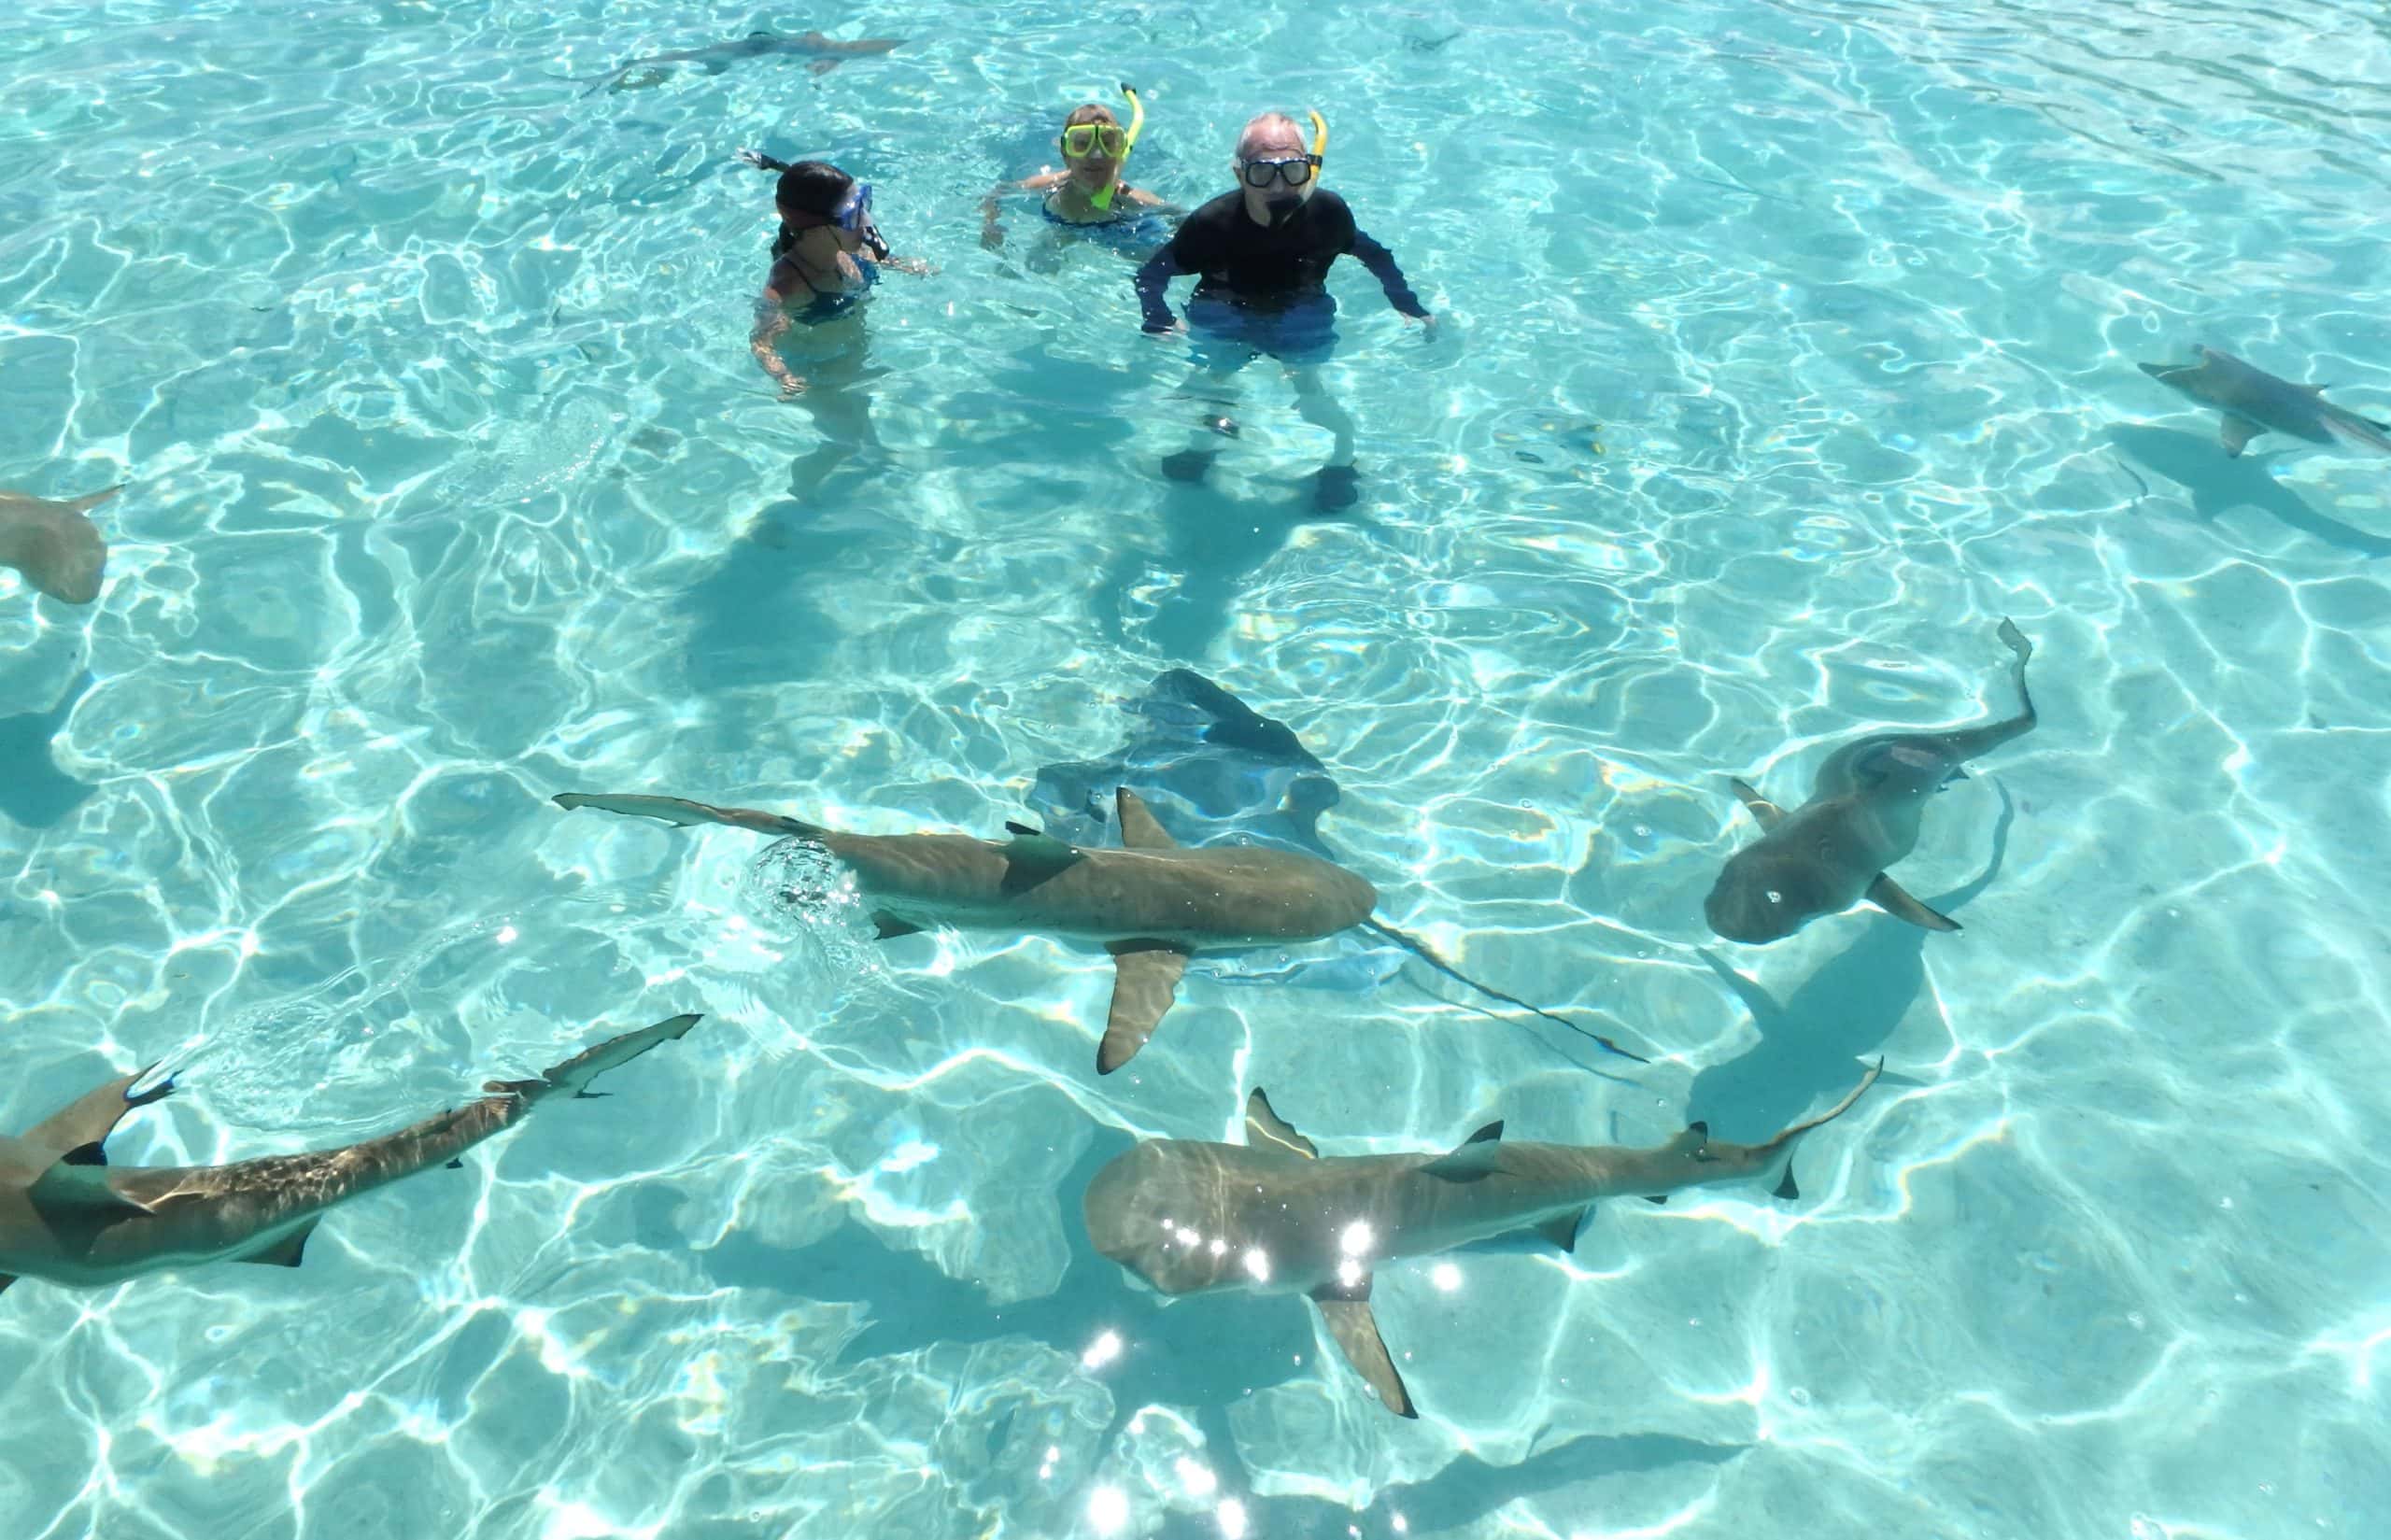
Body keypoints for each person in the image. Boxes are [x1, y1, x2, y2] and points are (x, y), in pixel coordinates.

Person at [1131, 109, 1432, 510]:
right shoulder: (1212, 222)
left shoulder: (1327, 213)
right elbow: (1153, 273)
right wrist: (1157, 316)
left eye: (1291, 170)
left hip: (1300, 308)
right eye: (1262, 172)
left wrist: (1406, 303)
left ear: (1308, 170)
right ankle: (1202, 447)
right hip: (1224, 306)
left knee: (1310, 391)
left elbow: (1374, 254)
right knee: (1210, 386)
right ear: (1239, 174)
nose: (1277, 186)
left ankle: (1342, 460)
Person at [740, 151, 930, 502]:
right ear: (820, 226)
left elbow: (881, 258)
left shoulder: (850, 250)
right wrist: (783, 376)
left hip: (852, 354)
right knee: (844, 438)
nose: (866, 223)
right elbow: (761, 340)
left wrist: (907, 266)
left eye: (864, 206)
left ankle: (875, 460)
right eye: (854, 214)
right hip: (817, 369)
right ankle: (803, 488)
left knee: (861, 417)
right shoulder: (788, 281)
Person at [981, 90, 1174, 250]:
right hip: (1059, 229)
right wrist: (990, 224)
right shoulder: (1051, 184)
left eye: (1107, 144)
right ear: (1065, 153)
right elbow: (997, 193)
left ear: (1119, 151)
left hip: (1114, 232)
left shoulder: (1128, 198)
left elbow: (1179, 217)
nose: (1096, 154)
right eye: (1082, 144)